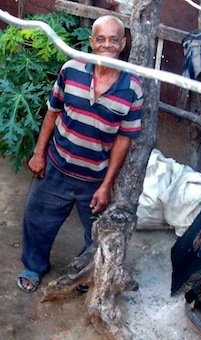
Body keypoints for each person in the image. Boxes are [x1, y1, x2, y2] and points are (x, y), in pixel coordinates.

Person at [17, 15, 143, 293]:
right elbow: (52, 113)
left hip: (93, 178)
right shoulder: (71, 69)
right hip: (56, 167)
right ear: (91, 42)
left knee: (96, 233)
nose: (107, 45)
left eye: (113, 39)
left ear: (123, 43)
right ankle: (34, 266)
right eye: (100, 39)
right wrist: (39, 154)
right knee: (37, 219)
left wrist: (106, 185)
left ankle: (84, 273)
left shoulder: (133, 87)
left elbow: (124, 139)